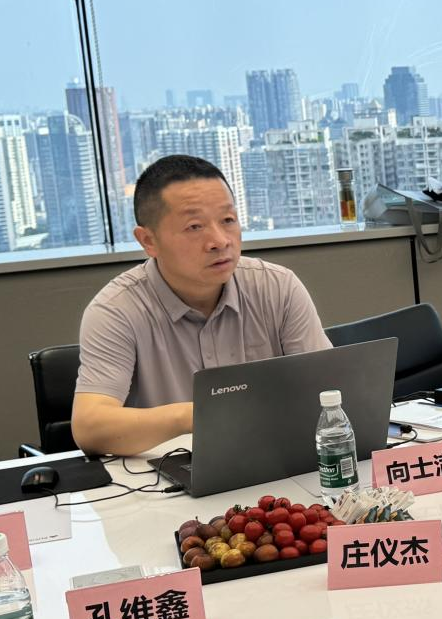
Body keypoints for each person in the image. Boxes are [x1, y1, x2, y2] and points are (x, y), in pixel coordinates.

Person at [72, 155, 331, 456]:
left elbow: (329, 388)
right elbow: (90, 428)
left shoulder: (277, 287)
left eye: (228, 220)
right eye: (194, 226)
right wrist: (196, 415)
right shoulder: (117, 311)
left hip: (274, 463)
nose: (220, 241)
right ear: (148, 241)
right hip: (167, 473)